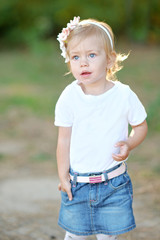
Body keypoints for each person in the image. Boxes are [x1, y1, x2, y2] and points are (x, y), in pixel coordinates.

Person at [54, 16, 148, 240]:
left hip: (114, 183)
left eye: (92, 55)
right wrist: (62, 174)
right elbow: (63, 140)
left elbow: (141, 126)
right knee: (74, 235)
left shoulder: (124, 95)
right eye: (75, 57)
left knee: (108, 236)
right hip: (78, 184)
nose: (83, 63)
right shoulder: (69, 97)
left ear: (110, 60)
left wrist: (130, 142)